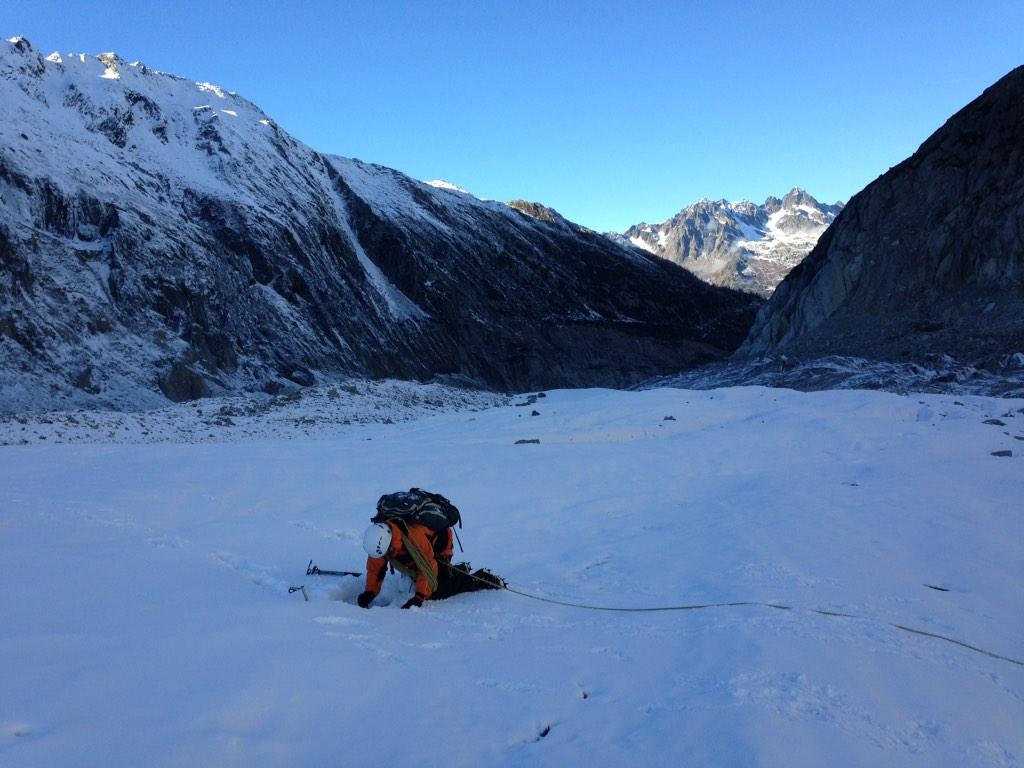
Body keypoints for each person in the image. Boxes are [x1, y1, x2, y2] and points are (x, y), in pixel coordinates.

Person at [356, 519, 503, 609]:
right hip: (418, 555)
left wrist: (419, 596)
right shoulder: (379, 541)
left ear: (390, 544)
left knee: (435, 591)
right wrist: (370, 593)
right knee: (421, 578)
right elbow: (375, 569)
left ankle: (479, 580)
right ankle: (458, 570)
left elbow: (428, 567)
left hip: (439, 550)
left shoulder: (413, 537)